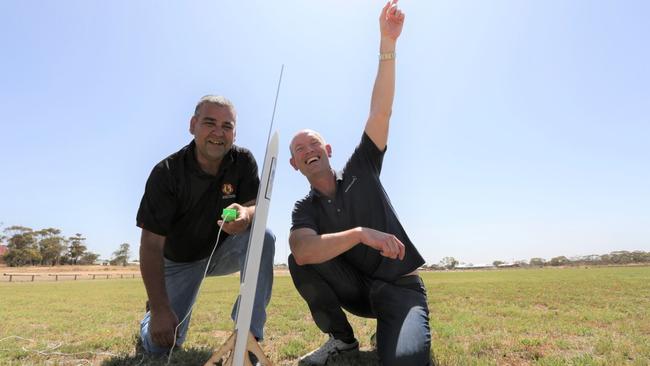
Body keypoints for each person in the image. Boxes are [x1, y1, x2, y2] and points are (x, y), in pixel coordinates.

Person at [287, 1, 432, 365]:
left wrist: (388, 44)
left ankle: (399, 328)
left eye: (314, 143)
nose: (308, 150)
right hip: (358, 291)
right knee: (296, 260)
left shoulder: (361, 167)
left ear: (328, 149)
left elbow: (380, 111)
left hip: (400, 287)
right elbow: (304, 252)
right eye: (300, 149)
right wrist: (360, 233)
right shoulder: (305, 208)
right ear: (294, 164)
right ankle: (342, 340)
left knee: (405, 360)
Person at [136, 95, 275, 354]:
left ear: (235, 132)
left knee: (263, 236)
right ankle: (150, 316)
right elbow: (151, 245)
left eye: (227, 126)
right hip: (179, 263)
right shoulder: (166, 173)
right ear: (193, 125)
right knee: (160, 348)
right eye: (210, 123)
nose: (218, 133)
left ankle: (249, 337)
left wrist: (246, 212)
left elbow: (257, 204)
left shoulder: (243, 161)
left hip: (221, 253)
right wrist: (159, 308)